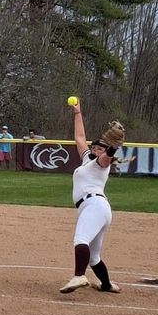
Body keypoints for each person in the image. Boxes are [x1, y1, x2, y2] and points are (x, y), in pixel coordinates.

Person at [59, 102, 124, 295]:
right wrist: (77, 111)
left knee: (81, 239)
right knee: (94, 256)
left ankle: (79, 275)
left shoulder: (101, 163)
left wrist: (113, 147)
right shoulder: (87, 160)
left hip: (94, 205)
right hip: (96, 208)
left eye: (100, 147)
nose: (95, 148)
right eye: (94, 146)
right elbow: (80, 137)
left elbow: (107, 157)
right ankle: (106, 284)